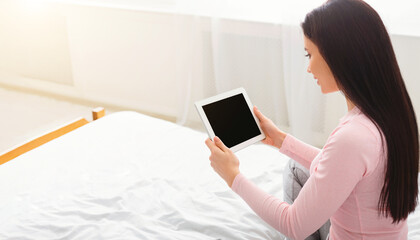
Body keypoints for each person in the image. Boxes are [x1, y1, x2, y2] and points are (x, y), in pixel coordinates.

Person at [204, 0, 419, 239]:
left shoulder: (353, 137)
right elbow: (341, 168)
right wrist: (281, 140)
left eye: (310, 54)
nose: (308, 68)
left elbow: (293, 225)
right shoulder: (389, 113)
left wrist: (233, 176)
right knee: (296, 167)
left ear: (340, 56)